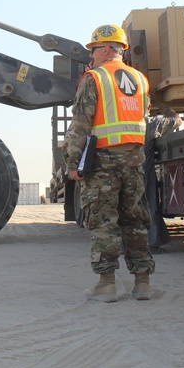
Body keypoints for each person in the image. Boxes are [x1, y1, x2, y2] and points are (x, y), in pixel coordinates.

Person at [65, 23, 154, 302]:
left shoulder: (95, 78)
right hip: (135, 162)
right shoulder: (140, 79)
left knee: (104, 221)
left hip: (102, 162)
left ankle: (107, 284)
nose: (91, 56)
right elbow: (144, 115)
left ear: (105, 49)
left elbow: (80, 124)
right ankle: (143, 284)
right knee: (135, 219)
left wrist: (73, 163)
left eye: (93, 50)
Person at [145, 103, 183, 249]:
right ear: (148, 107)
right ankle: (153, 241)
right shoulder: (150, 123)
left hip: (123, 171)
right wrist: (169, 110)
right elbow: (177, 121)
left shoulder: (120, 123)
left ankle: (125, 244)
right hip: (143, 172)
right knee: (150, 204)